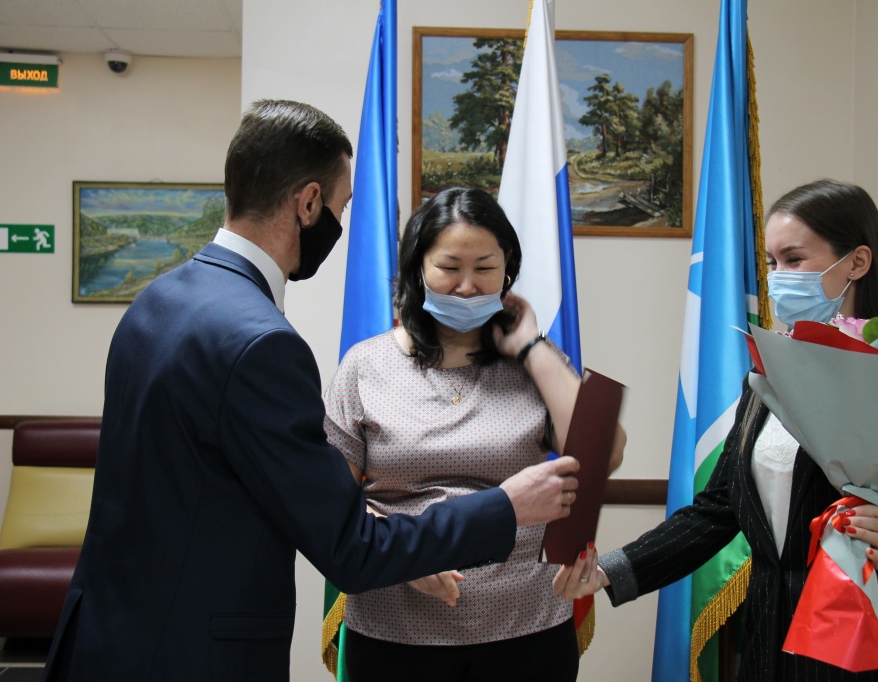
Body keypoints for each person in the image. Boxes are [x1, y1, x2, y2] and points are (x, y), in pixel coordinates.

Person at [41, 101, 580, 682]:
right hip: (193, 653)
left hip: (110, 632)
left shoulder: (158, 300)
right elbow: (349, 547)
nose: (340, 227)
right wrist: (504, 506)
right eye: (341, 208)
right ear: (308, 203)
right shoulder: (262, 342)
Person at [554, 179, 878, 681]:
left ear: (857, 262)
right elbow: (718, 509)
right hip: (771, 649)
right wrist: (608, 570)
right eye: (771, 263)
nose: (777, 278)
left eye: (794, 259)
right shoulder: (770, 372)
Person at [322, 186, 625, 682]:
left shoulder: (537, 362)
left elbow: (604, 453)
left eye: (485, 268)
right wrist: (400, 554)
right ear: (418, 268)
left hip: (527, 628)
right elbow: (331, 501)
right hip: (395, 631)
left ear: (507, 272)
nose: (466, 287)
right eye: (449, 267)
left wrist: (532, 347)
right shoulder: (365, 366)